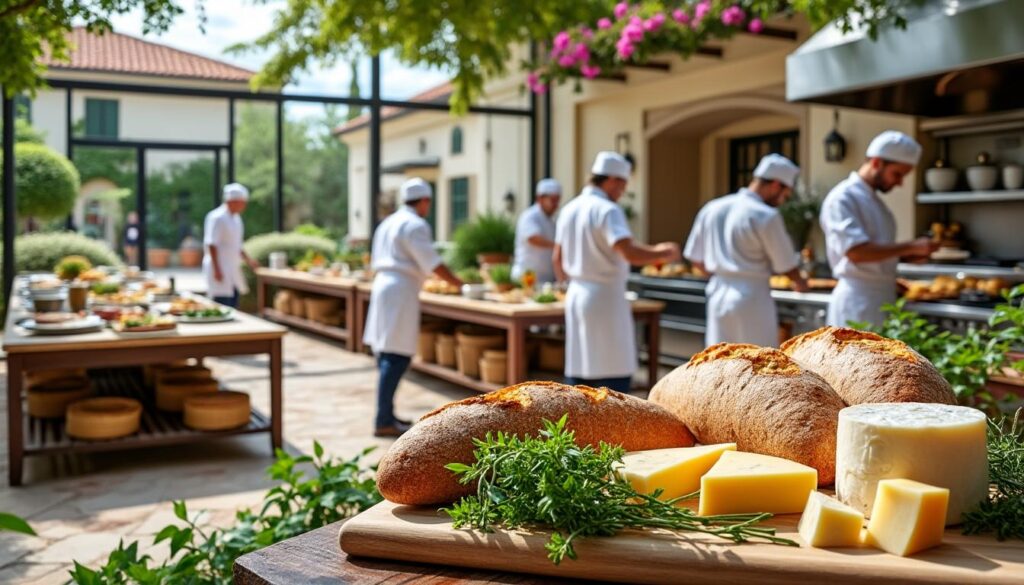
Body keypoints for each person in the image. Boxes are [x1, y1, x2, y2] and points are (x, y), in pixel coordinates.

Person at [554, 151, 680, 392]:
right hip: (604, 298)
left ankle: (575, 427)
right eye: (622, 185)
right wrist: (662, 252)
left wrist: (566, 286)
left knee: (581, 369)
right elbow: (628, 252)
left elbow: (557, 258)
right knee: (613, 370)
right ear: (611, 180)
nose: (622, 192)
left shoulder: (569, 209)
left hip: (577, 294)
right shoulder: (607, 210)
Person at [363, 178, 463, 437]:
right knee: (396, 356)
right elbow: (432, 262)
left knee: (386, 352)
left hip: (384, 286)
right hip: (400, 290)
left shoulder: (388, 222)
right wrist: (459, 283)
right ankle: (383, 418)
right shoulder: (415, 225)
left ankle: (386, 413)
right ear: (425, 201)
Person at [684, 154, 808, 348]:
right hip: (752, 299)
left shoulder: (712, 208)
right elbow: (786, 265)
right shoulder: (765, 215)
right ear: (776, 185)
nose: (783, 200)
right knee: (758, 365)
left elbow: (695, 259)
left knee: (720, 362)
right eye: (785, 194)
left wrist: (723, 273)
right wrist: (801, 283)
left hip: (718, 294)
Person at [821, 130, 936, 328]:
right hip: (857, 303)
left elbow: (874, 253)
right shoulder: (843, 198)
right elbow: (855, 252)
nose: (900, 183)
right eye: (897, 174)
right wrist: (910, 247)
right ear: (876, 163)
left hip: (882, 299)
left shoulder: (876, 203)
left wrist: (905, 257)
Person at [202, 183, 260, 308]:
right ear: (233, 201)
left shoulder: (236, 219)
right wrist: (217, 269)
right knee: (221, 303)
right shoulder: (217, 217)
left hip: (232, 267)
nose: (244, 206)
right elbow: (212, 244)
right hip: (219, 267)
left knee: (233, 302)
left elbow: (237, 244)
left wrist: (249, 261)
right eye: (242, 202)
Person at [512, 178, 563, 285]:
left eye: (557, 200)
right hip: (526, 278)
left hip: (546, 280)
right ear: (540, 199)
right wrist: (558, 246)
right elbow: (533, 238)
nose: (556, 204)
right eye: (552, 200)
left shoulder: (552, 220)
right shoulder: (530, 216)